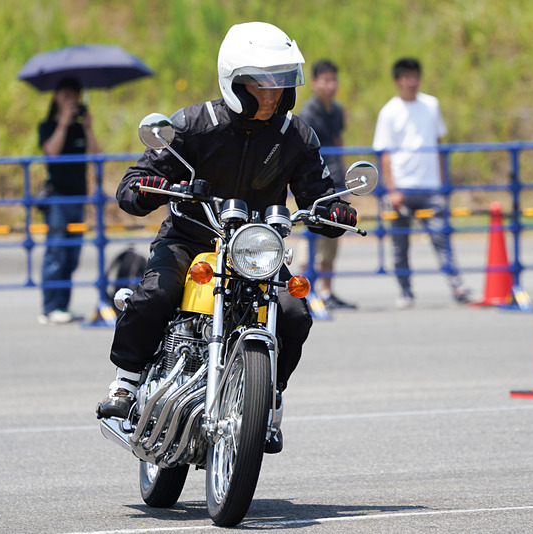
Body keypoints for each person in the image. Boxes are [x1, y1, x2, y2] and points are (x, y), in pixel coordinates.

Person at [96, 22, 358, 453]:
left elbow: (317, 193)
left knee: (294, 315)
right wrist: (147, 187)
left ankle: (268, 399)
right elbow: (135, 181)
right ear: (234, 81)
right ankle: (125, 383)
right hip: (190, 237)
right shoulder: (193, 125)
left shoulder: (295, 135)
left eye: (280, 83)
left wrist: (334, 210)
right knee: (156, 294)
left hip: (256, 249)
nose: (272, 95)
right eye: (261, 84)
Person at [372, 57, 470, 309]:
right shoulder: (389, 111)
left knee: (441, 237)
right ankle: (405, 290)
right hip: (402, 187)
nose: (411, 81)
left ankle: (457, 285)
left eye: (415, 76)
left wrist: (443, 182)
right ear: (398, 80)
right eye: (406, 77)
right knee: (400, 244)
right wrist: (392, 189)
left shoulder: (431, 105)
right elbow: (384, 154)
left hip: (429, 186)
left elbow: (438, 144)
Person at [38, 77, 101, 324]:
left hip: (78, 197)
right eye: (66, 96)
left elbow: (98, 155)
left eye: (75, 96)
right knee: (56, 252)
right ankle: (50, 307)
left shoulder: (80, 128)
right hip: (57, 197)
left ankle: (62, 306)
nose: (72, 101)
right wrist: (63, 122)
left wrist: (88, 127)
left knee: (72, 255)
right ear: (56, 97)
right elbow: (51, 152)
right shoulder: (48, 126)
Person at [297, 59, 356, 310]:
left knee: (334, 234)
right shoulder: (308, 113)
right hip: (315, 183)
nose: (331, 85)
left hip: (337, 180)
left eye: (334, 79)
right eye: (326, 80)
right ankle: (304, 292)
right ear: (314, 83)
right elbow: (303, 150)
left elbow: (339, 141)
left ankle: (326, 291)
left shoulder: (336, 111)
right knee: (311, 236)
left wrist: (345, 172)